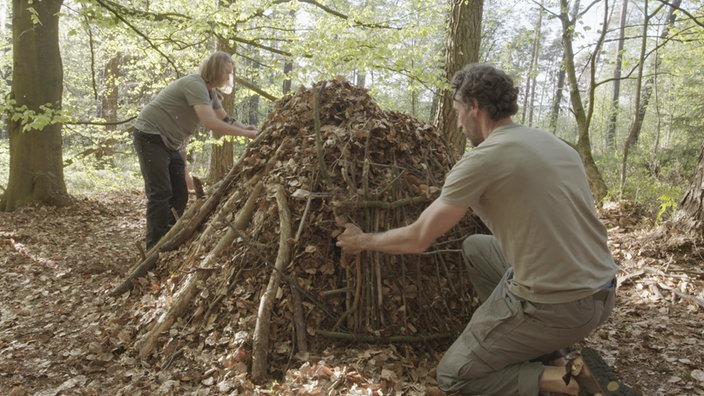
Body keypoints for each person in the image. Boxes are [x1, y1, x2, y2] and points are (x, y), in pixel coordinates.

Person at [336, 64, 639, 395]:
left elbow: (419, 237)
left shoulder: (483, 159)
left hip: (558, 305)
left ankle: (569, 380)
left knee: (453, 376)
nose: (457, 121)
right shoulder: (554, 143)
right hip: (603, 291)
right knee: (477, 248)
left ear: (474, 106)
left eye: (457, 111)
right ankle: (553, 353)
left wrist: (361, 240)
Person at [133, 51, 258, 250]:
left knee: (181, 193)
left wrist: (246, 128)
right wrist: (246, 135)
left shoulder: (209, 93)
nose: (228, 77)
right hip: (150, 136)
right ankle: (154, 246)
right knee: (161, 192)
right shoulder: (195, 84)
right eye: (226, 72)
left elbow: (224, 118)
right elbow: (212, 124)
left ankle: (168, 239)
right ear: (215, 69)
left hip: (171, 142)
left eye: (230, 73)